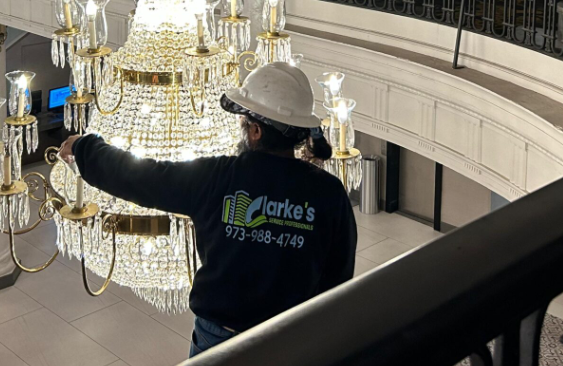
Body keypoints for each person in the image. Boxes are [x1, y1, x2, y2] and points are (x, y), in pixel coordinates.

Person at [59, 61, 357, 357]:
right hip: (293, 340)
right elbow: (338, 280)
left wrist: (86, 149)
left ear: (255, 130)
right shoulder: (329, 193)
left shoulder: (217, 177)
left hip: (219, 340)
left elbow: (141, 177)